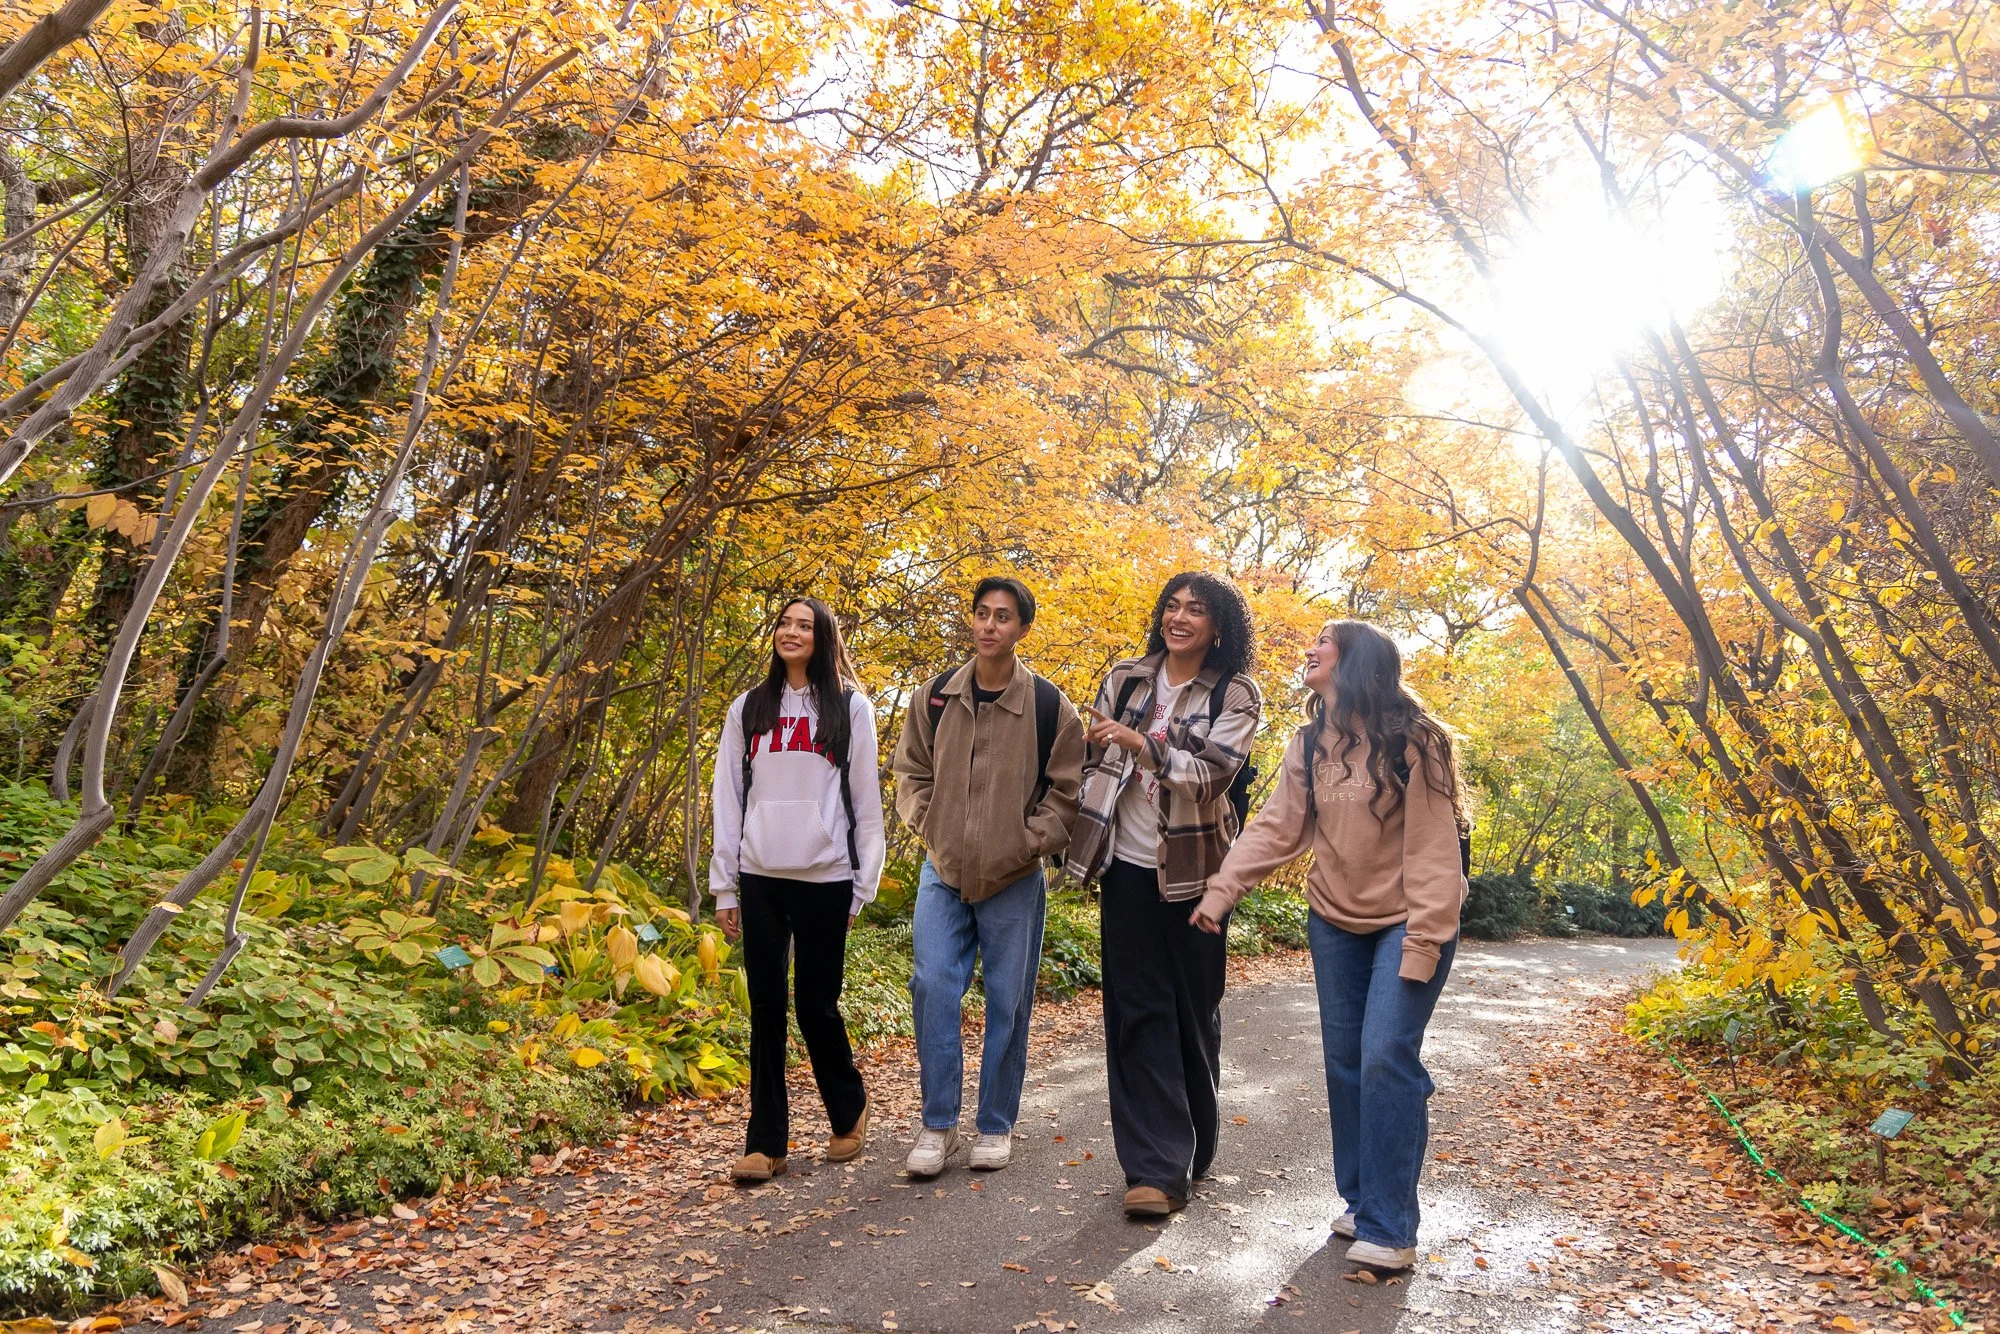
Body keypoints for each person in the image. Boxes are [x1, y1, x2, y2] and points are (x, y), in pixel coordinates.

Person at [1191, 619, 1467, 1270]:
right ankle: (1363, 1198)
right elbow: (1276, 827)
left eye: (1323, 641)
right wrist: (1223, 888)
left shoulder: (1415, 741)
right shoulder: (1310, 742)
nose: (1309, 649)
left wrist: (1424, 941)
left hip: (1409, 920)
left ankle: (1392, 1228)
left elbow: (1434, 850)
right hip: (1335, 921)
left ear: (1357, 661)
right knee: (1346, 1065)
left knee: (1384, 1057)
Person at [1063, 572, 1262, 1219]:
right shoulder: (1126, 678)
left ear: (1218, 626)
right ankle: (1154, 1169)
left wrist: (1142, 744)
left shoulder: (1236, 692)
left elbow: (1210, 776)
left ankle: (1191, 1145)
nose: (1179, 618)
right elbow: (1094, 766)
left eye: (1195, 610)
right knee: (1137, 1014)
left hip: (1197, 875)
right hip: (1126, 866)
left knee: (1193, 1013)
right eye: (1171, 606)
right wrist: (1080, 838)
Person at [892, 576, 1085, 1177]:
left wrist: (1028, 841)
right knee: (932, 988)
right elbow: (910, 771)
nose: (989, 625)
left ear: (1022, 629)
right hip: (942, 871)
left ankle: (995, 1125)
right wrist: (929, 824)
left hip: (1014, 879)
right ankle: (938, 1126)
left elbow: (1067, 792)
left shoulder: (1051, 707)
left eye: (1003, 617)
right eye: (981, 614)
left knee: (1008, 1001)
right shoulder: (934, 696)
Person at [710, 597, 885, 1183]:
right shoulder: (749, 708)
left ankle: (847, 1108)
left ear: (824, 637)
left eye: (804, 625)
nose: (791, 632)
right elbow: (728, 798)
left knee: (815, 1005)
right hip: (760, 876)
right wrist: (724, 885)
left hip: (826, 877)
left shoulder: (850, 710)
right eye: (784, 623)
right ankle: (766, 1142)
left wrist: (862, 888)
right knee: (765, 1010)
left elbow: (866, 805)